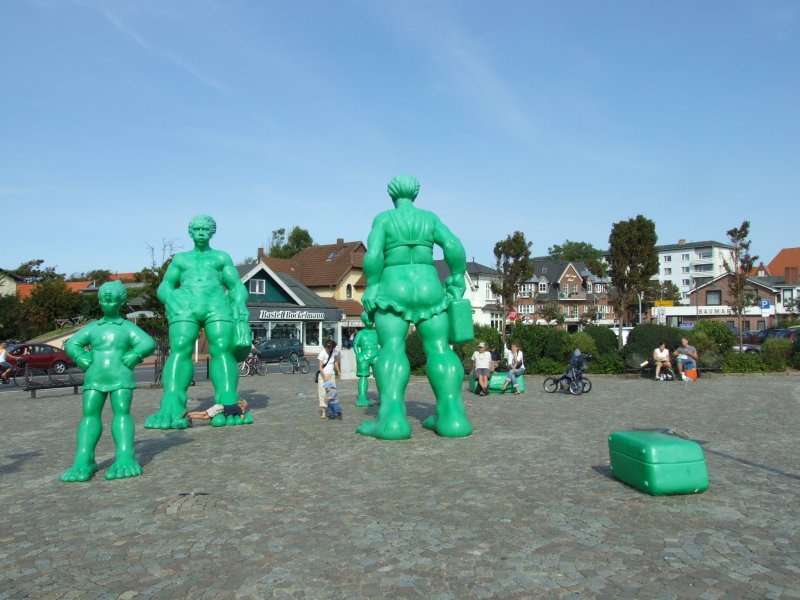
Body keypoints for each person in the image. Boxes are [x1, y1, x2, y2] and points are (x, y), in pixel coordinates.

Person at [358, 174, 473, 440]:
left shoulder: (384, 219)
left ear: (392, 195)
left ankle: (392, 418)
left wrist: (373, 285)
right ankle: (452, 417)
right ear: (415, 195)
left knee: (392, 348)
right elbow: (453, 245)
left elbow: (373, 254)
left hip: (393, 286)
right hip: (429, 286)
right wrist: (456, 276)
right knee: (440, 349)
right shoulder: (430, 218)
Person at [145, 214, 252, 430]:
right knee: (180, 349)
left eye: (206, 229)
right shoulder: (181, 259)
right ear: (190, 232)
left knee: (223, 350)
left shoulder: (221, 258)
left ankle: (228, 397)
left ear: (212, 233)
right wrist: (172, 300)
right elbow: (165, 286)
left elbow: (236, 286)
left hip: (216, 305)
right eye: (197, 229)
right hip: (186, 305)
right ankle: (172, 402)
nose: (201, 233)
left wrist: (239, 306)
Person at [62, 280, 157, 482]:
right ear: (99, 301)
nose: (107, 300)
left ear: (121, 302)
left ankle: (124, 455)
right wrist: (80, 357)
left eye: (111, 297)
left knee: (121, 413)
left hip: (120, 376)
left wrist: (136, 355)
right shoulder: (93, 327)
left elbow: (148, 342)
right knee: (89, 415)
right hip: (94, 377)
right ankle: (84, 457)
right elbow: (71, 344)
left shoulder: (126, 327)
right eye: (103, 297)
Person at [353, 312, 379, 407]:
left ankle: (383, 397)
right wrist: (358, 354)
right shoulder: (360, 333)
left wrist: (381, 350)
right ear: (363, 321)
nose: (370, 322)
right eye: (367, 320)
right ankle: (362, 397)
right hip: (364, 356)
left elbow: (382, 342)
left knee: (380, 377)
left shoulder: (377, 332)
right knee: (363, 376)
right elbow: (355, 344)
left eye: (371, 320)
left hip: (376, 355)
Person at [185, 398, 249, 426]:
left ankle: (188, 414)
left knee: (203, 413)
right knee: (206, 417)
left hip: (218, 406)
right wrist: (243, 412)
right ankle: (190, 417)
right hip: (219, 409)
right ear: (242, 405)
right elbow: (242, 418)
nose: (244, 408)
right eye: (244, 407)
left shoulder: (235, 405)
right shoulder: (239, 409)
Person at [317, 340, 339, 419]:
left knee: (332, 393)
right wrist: (324, 375)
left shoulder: (334, 351)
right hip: (323, 375)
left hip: (331, 375)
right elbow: (320, 367)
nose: (328, 349)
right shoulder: (322, 353)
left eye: (329, 348)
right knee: (322, 393)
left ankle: (331, 411)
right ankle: (323, 412)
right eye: (326, 347)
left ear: (332, 347)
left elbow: (335, 361)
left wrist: (338, 371)